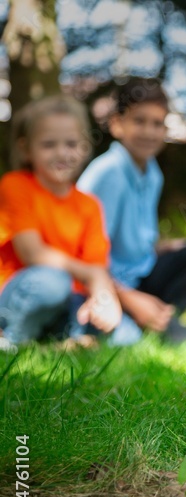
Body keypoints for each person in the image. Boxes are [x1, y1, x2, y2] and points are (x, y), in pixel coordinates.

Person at [78, 77, 186, 346]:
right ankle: (143, 320)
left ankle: (162, 318)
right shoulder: (108, 173)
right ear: (117, 124)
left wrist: (162, 248)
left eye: (157, 124)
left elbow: (132, 243)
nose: (149, 132)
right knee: (123, 335)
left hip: (140, 275)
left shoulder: (151, 172)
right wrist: (131, 299)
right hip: (103, 285)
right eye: (139, 121)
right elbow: (86, 257)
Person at [0, 95, 122, 352]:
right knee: (51, 283)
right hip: (23, 294)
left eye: (71, 144)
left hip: (68, 300)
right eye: (48, 145)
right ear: (25, 149)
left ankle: (50, 342)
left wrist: (103, 298)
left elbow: (97, 269)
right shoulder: (15, 186)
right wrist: (89, 275)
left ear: (85, 147)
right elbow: (32, 253)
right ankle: (12, 338)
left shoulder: (89, 205)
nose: (62, 153)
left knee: (121, 329)